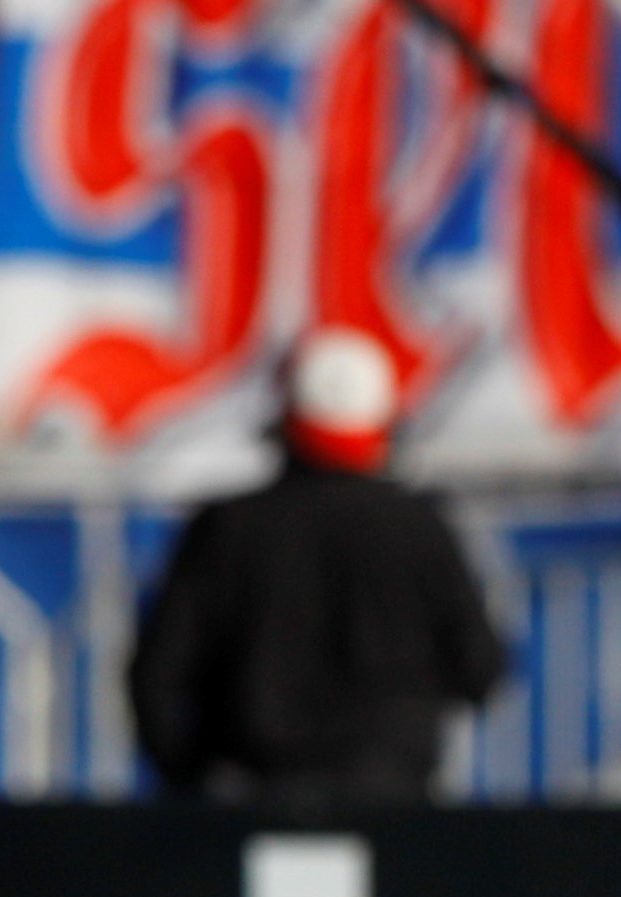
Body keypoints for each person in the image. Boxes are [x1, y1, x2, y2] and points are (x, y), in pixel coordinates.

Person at [129, 329, 505, 805]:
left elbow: (158, 673)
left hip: (251, 796)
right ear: (384, 425)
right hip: (390, 798)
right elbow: (481, 667)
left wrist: (187, 777)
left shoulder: (227, 527)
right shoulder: (420, 527)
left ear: (285, 421)